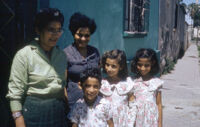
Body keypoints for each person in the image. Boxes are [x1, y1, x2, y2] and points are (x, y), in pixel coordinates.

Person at [6, 8, 68, 127]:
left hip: (58, 112)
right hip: (34, 113)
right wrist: (18, 120)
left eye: (59, 30)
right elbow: (15, 95)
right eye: (51, 30)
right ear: (38, 30)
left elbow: (62, 86)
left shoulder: (61, 56)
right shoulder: (24, 55)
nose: (56, 34)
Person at [63, 12, 100, 109]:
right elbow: (62, 84)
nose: (83, 39)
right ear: (73, 33)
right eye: (79, 35)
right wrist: (66, 103)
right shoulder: (66, 54)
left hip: (94, 102)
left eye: (87, 35)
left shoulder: (94, 52)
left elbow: (98, 77)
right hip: (74, 102)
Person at [100, 49, 137, 127]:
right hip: (106, 121)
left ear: (121, 67)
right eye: (107, 65)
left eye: (113, 66)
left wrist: (130, 123)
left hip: (122, 122)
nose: (109, 69)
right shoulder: (102, 83)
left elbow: (132, 106)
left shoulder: (127, 84)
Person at [130, 48, 163, 127]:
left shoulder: (156, 83)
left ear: (153, 63)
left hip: (151, 119)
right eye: (140, 65)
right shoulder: (132, 82)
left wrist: (160, 124)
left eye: (146, 65)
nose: (143, 68)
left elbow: (159, 104)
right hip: (136, 118)